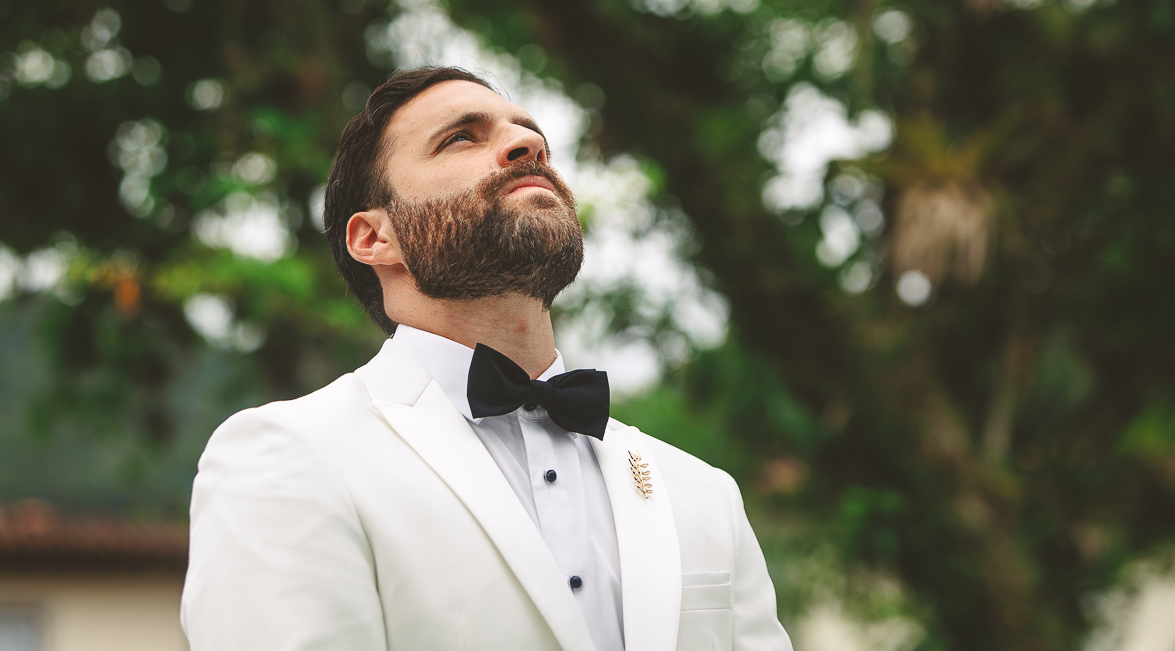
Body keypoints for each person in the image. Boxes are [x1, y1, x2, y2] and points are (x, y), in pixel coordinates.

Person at [181, 67, 793, 651]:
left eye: (532, 135)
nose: (528, 145)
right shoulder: (288, 456)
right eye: (461, 138)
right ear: (375, 237)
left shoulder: (704, 493)